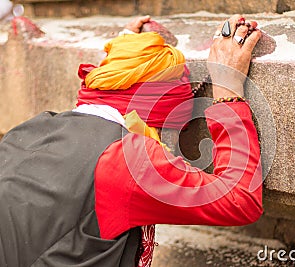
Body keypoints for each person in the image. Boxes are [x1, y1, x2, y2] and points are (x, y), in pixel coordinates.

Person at [0, 14, 263, 266]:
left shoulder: (28, 130)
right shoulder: (126, 158)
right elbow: (240, 200)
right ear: (158, 115)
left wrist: (126, 52)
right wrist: (227, 88)